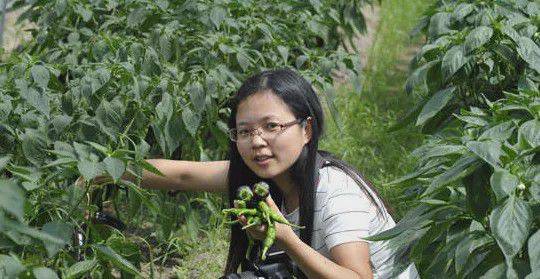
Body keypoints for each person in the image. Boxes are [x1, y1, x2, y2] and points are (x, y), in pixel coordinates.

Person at [81, 69, 418, 278]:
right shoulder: (263, 177)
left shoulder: (336, 191)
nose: (257, 142)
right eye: (245, 131)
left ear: (306, 129)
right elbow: (180, 176)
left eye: (272, 126)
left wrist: (285, 238)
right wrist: (98, 172)